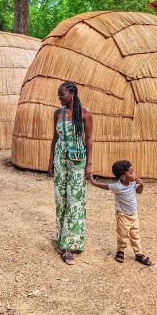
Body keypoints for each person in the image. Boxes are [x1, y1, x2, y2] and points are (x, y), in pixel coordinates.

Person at [48, 81, 93, 265]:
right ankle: (61, 237)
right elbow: (55, 138)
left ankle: (67, 245)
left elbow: (89, 140)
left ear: (72, 93)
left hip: (77, 161)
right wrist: (50, 160)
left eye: (62, 94)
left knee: (75, 201)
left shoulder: (85, 113)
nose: (59, 97)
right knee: (61, 198)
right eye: (59, 94)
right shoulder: (57, 113)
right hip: (60, 159)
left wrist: (89, 164)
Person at [89, 160, 152, 266]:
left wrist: (141, 185)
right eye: (131, 173)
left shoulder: (133, 183)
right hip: (122, 216)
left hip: (134, 215)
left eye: (133, 171)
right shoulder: (118, 186)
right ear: (123, 177)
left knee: (135, 235)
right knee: (122, 235)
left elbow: (139, 191)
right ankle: (120, 251)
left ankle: (138, 253)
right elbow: (105, 186)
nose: (134, 174)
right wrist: (93, 182)